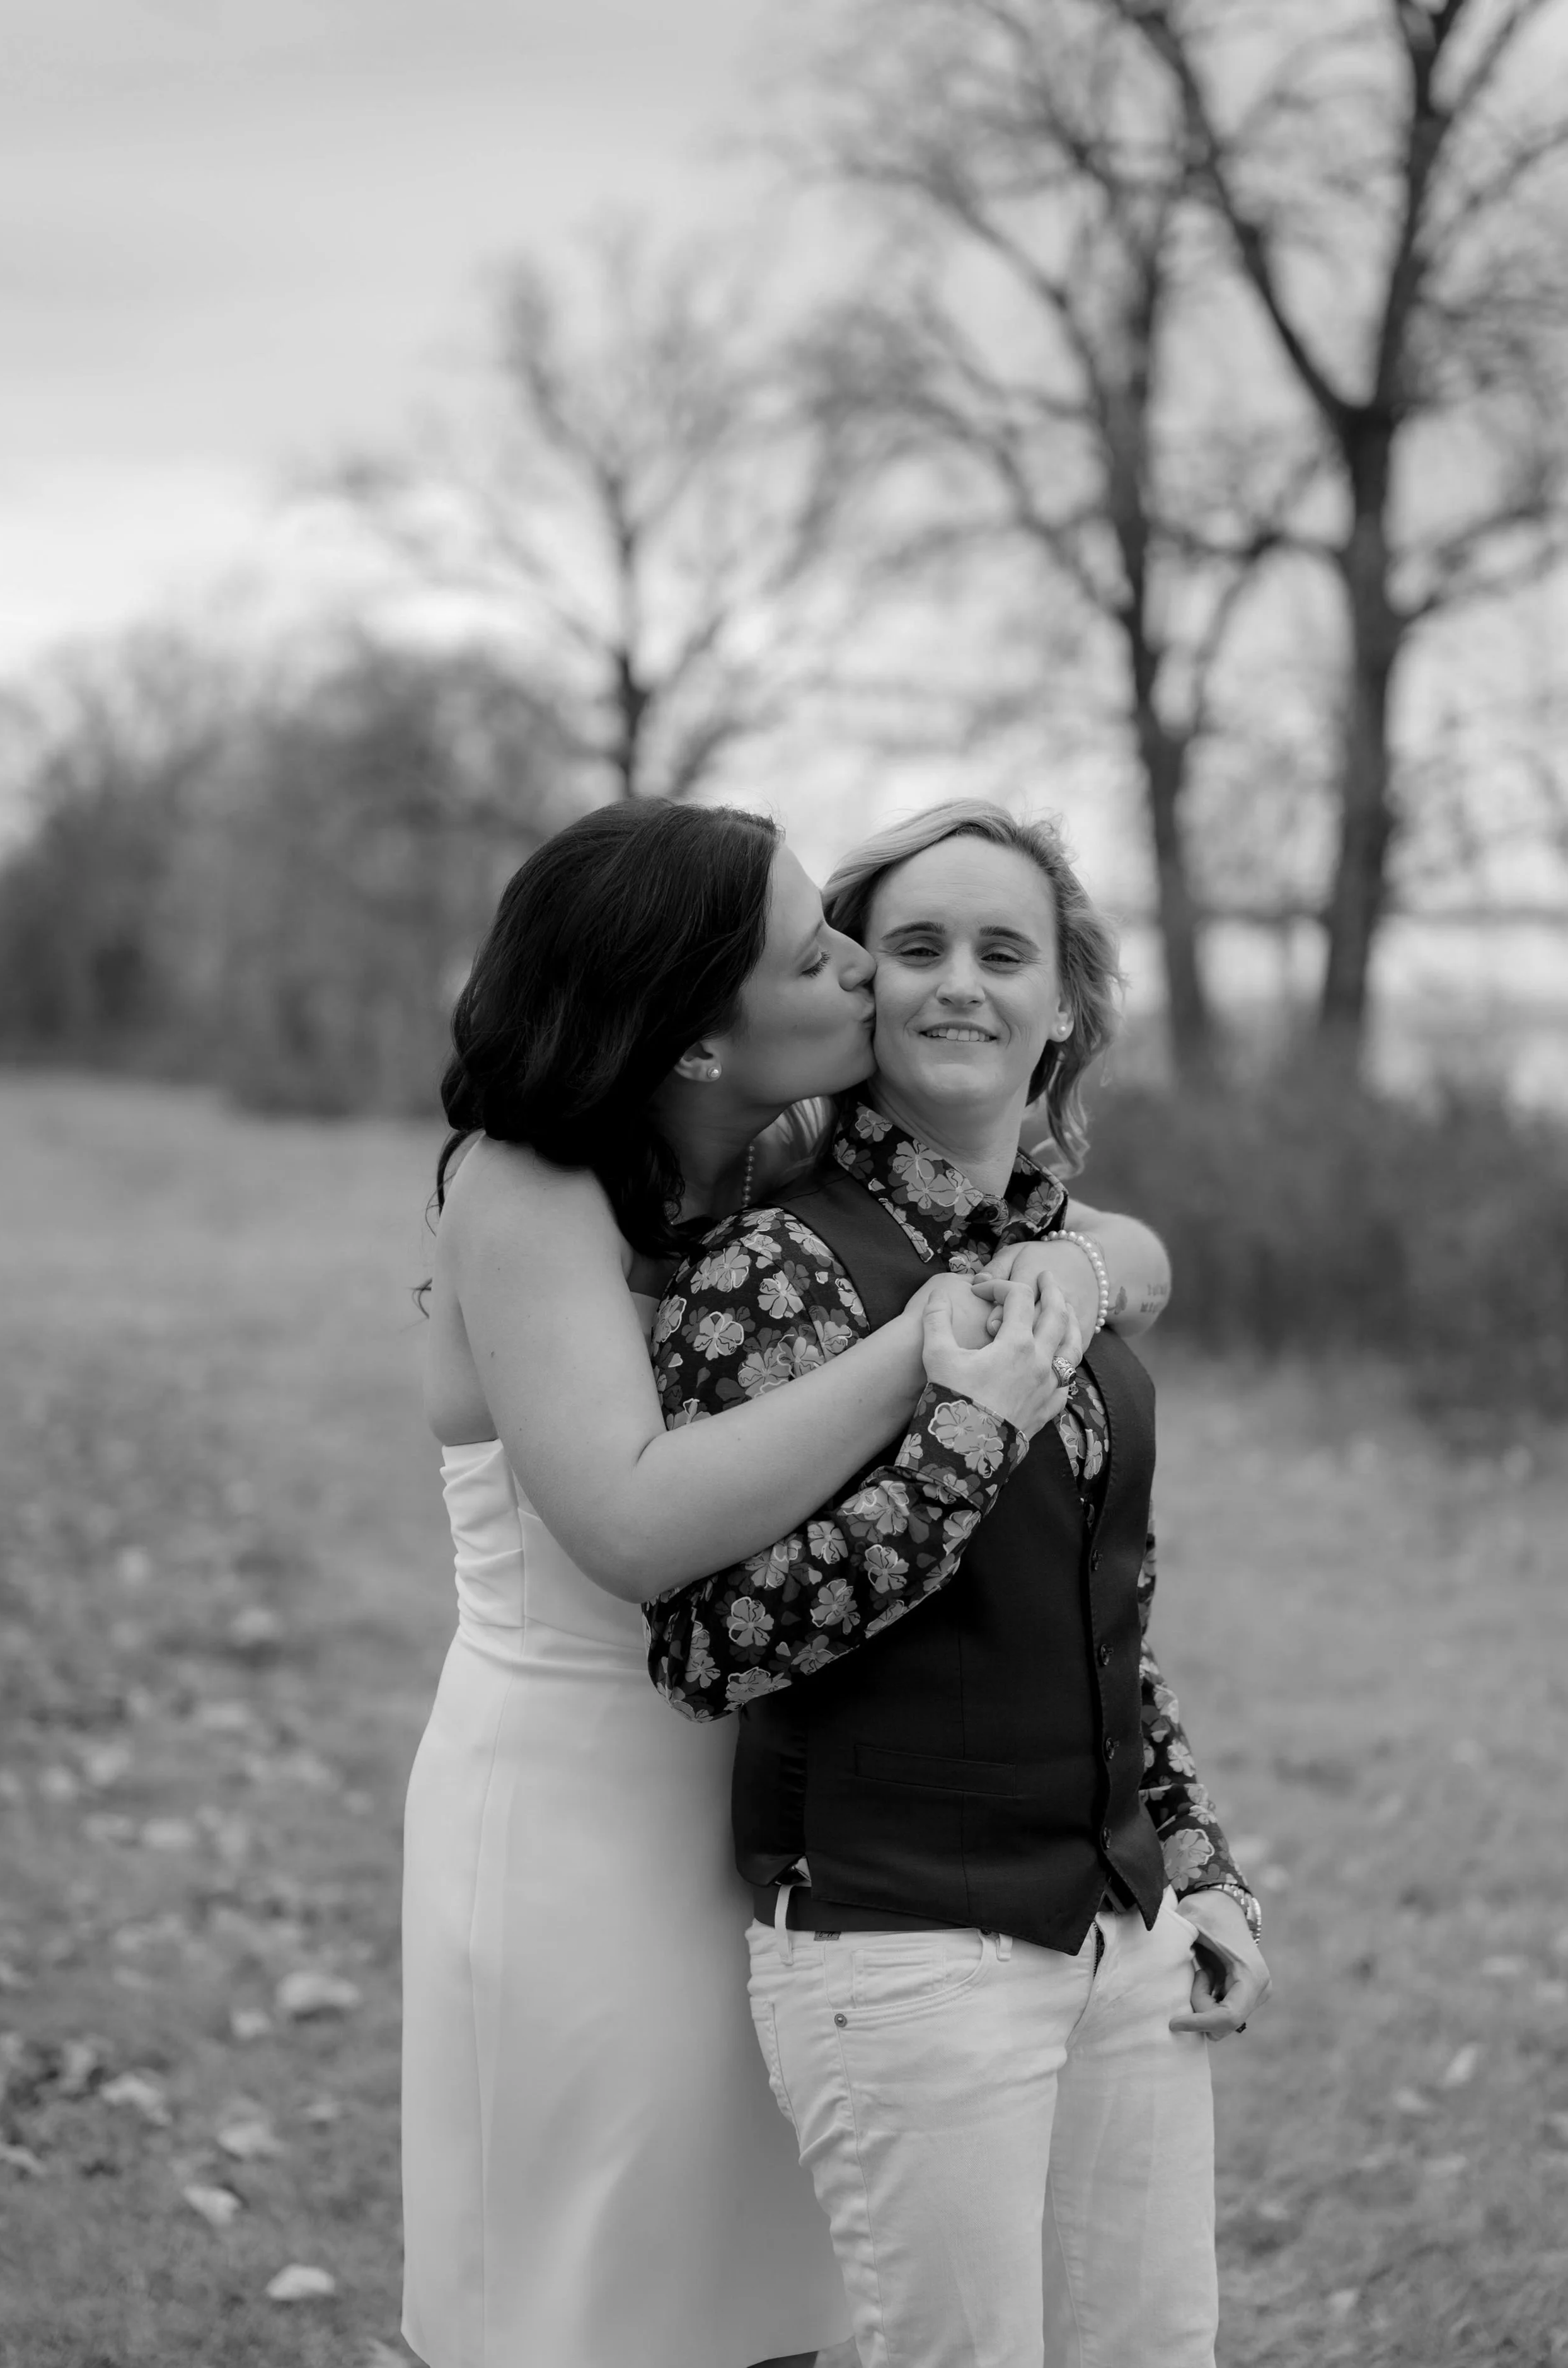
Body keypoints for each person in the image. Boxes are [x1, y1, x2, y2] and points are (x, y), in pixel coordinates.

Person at [401, 798, 1171, 2368]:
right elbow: (627, 1522)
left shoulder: (773, 1156)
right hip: (578, 1809)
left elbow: (1118, 1248)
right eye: (819, 948)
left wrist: (1081, 1271)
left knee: (795, 2282)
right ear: (698, 1031)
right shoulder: (521, 1191)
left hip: (785, 1786)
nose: (859, 973)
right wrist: (932, 1343)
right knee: (599, 2290)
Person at [645, 801, 1272, 2368]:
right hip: (896, 1952)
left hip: (1117, 1939)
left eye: (1007, 952)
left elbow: (1100, 1613)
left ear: (1064, 1007)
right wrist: (966, 1438)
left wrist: (1195, 1861)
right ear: (856, 985)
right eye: (914, 947)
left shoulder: (1065, 1255)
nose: (959, 985)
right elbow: (709, 1645)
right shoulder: (768, 1272)